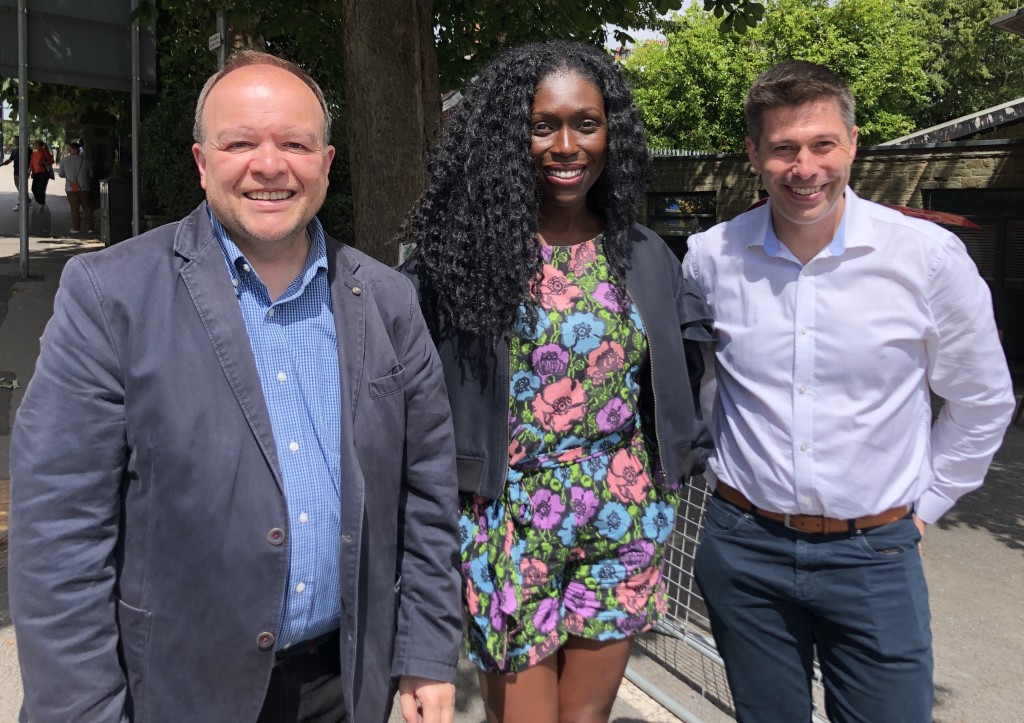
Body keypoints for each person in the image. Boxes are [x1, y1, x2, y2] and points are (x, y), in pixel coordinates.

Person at [10, 50, 461, 723]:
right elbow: (60, 534)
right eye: (240, 143)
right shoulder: (111, 297)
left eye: (295, 144)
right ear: (201, 160)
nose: (270, 165)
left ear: (327, 162)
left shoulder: (388, 300)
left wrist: (425, 651)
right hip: (173, 690)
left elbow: (428, 489)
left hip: (342, 684)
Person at [684, 60, 1016, 723]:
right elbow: (705, 390)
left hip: (874, 554)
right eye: (783, 148)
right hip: (744, 547)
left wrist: (926, 506)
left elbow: (983, 399)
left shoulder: (926, 257)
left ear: (853, 143)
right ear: (754, 154)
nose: (804, 167)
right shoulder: (710, 258)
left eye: (822, 144)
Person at [400, 40, 712, 723]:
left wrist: (679, 455)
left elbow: (684, 368)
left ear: (611, 133)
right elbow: (411, 393)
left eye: (586, 124)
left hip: (624, 512)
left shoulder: (645, 254)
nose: (566, 145)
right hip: (506, 518)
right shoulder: (458, 258)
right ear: (510, 134)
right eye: (543, 125)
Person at [58, 141, 95, 234]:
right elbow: (91, 175)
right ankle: (90, 228)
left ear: (70, 150)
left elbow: (61, 174)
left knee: (74, 208)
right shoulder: (85, 161)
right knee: (87, 207)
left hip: (71, 188)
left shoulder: (64, 160)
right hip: (84, 187)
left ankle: (76, 228)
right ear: (78, 150)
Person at [28, 139, 54, 211]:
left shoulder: (44, 151)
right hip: (36, 173)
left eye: (35, 143)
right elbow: (32, 164)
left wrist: (44, 162)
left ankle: (41, 203)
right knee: (34, 189)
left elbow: (51, 160)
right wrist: (31, 171)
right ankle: (40, 201)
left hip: (43, 173)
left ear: (39, 144)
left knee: (40, 189)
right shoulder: (34, 154)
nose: (34, 145)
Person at [2, 134, 22, 211]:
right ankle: (27, 200)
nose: (13, 141)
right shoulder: (14, 151)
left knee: (21, 188)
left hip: (23, 172)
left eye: (15, 139)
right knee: (19, 188)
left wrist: (30, 170)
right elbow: (10, 160)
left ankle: (19, 204)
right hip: (16, 172)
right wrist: (1, 164)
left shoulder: (26, 150)